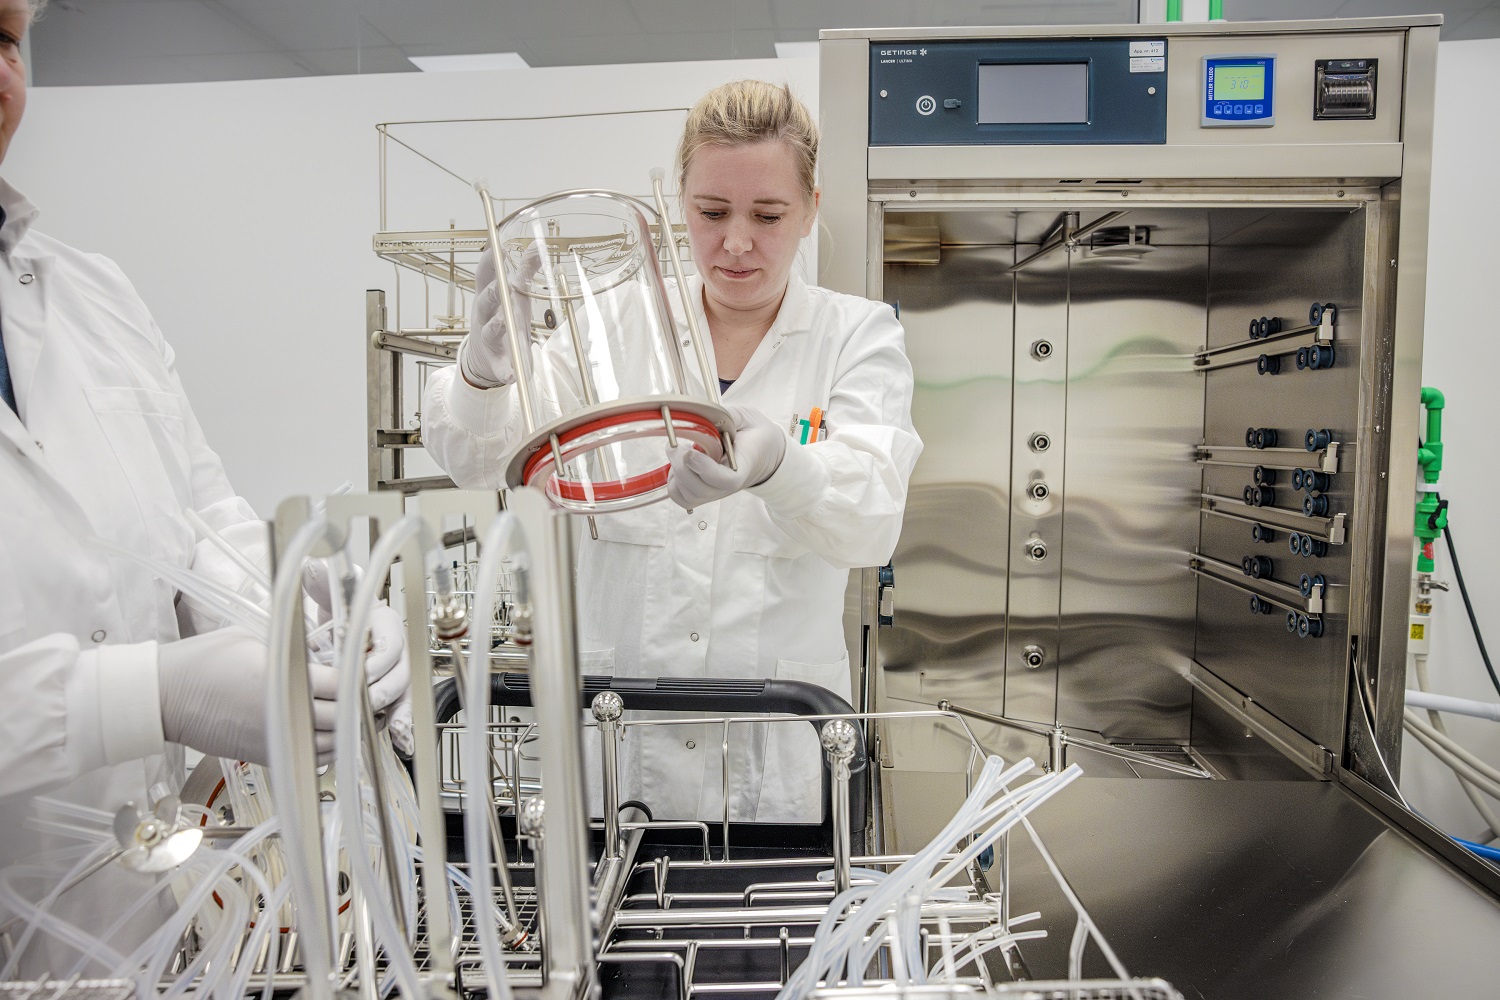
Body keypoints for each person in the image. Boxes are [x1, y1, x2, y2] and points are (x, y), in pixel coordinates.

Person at [0, 0, 410, 972]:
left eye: (7, 39)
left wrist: (299, 604)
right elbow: (153, 682)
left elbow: (192, 520)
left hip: (140, 932)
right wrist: (155, 694)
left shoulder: (92, 296)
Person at [422, 80, 921, 823]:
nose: (737, 242)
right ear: (678, 203)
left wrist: (783, 466)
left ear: (812, 207)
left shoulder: (857, 334)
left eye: (769, 214)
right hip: (617, 748)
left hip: (775, 764)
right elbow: (479, 457)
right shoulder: (615, 326)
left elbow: (871, 520)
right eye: (712, 213)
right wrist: (487, 369)